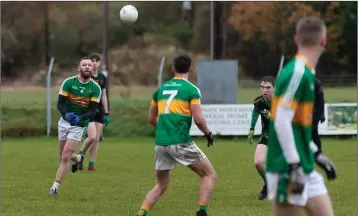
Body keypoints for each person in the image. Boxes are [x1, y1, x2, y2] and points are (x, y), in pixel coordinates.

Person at [265, 16, 337, 216]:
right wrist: (294, 164)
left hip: (304, 165)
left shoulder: (305, 74)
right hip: (287, 167)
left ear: (296, 40)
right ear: (324, 40)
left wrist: (317, 155)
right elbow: (281, 120)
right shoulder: (297, 73)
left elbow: (297, 128)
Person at [136, 55, 216, 216]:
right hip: (180, 141)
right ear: (190, 70)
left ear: (173, 69)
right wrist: (208, 133)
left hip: (161, 143)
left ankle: (141, 213)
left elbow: (151, 118)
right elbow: (199, 119)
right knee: (209, 174)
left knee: (161, 185)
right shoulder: (191, 90)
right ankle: (202, 212)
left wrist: (165, 129)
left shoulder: (160, 90)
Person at [49, 57, 102, 198]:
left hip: (79, 126)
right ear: (79, 68)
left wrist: (80, 118)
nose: (87, 67)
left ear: (93, 69)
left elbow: (92, 110)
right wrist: (66, 115)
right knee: (62, 155)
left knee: (65, 156)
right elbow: (59, 104)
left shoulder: (95, 88)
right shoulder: (68, 82)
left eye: (89, 65)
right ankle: (78, 158)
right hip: (64, 122)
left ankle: (54, 188)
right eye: (84, 65)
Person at [77, 53, 110, 172]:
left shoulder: (102, 77)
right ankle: (81, 155)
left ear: (99, 63)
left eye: (97, 61)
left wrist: (106, 112)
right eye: (92, 61)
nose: (94, 63)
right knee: (92, 136)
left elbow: (104, 95)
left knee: (96, 138)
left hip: (99, 109)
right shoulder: (85, 77)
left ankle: (91, 163)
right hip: (88, 109)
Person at [247, 76, 274, 200]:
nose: (265, 90)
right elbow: (255, 112)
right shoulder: (259, 101)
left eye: (268, 87)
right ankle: (268, 184)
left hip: (284, 138)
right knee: (258, 163)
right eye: (262, 87)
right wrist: (252, 129)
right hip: (267, 135)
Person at [312, 77, 325, 153]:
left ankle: (318, 152)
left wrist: (322, 114)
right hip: (304, 113)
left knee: (312, 132)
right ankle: (318, 152)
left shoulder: (317, 83)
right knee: (314, 133)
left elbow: (321, 100)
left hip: (315, 113)